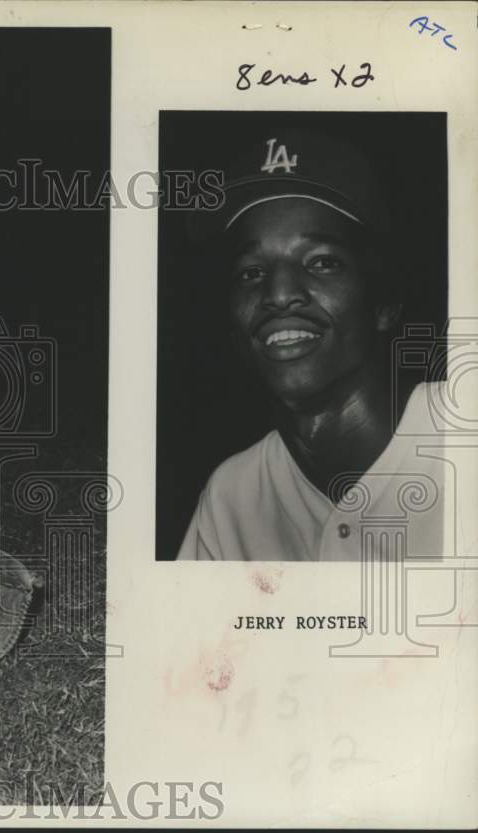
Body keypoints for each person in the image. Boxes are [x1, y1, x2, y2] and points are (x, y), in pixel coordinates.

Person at [177, 129, 450, 562]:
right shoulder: (232, 495)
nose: (279, 293)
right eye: (251, 271)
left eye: (322, 262)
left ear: (384, 303)